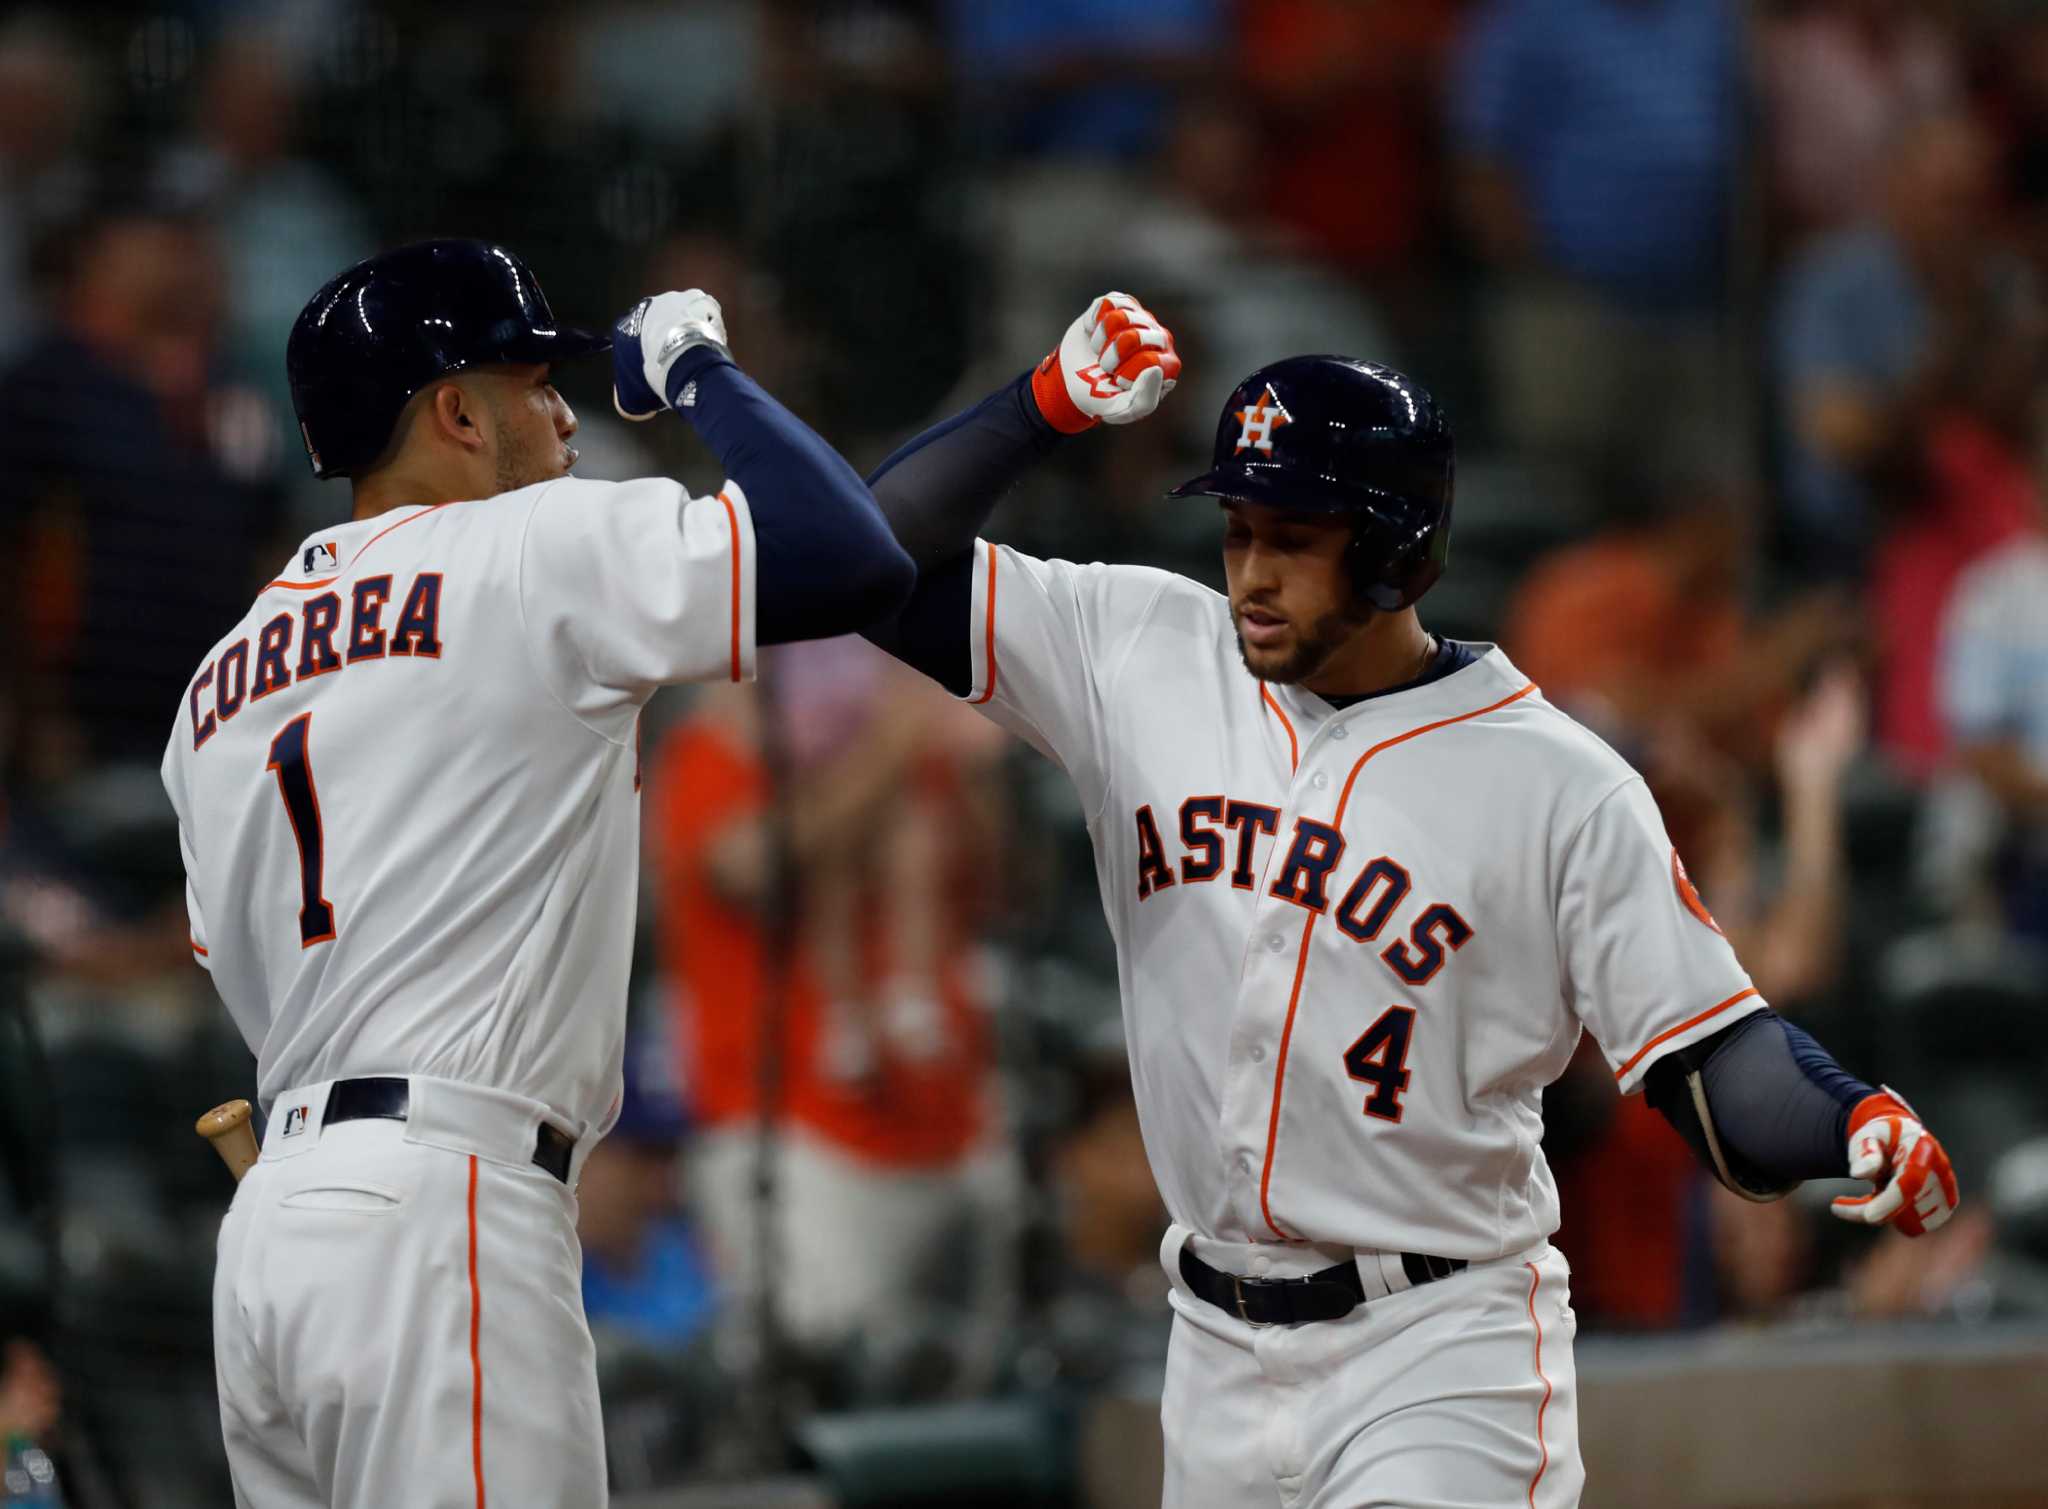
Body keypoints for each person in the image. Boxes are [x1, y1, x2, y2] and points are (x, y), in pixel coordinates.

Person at [857, 295, 1961, 1506]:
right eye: (1236, 528)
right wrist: (1043, 404)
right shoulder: (1138, 650)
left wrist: (1850, 1118)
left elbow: (1712, 1065)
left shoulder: (1555, 781)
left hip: (1437, 1350)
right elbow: (874, 557)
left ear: (1394, 552)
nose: (1251, 571)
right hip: (1210, 1352)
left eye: (1294, 535)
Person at [159, 239, 913, 1508]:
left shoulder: (215, 682)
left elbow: (230, 959)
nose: (567, 413)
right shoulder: (524, 545)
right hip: (442, 1206)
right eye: (533, 382)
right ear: (454, 412)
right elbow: (851, 555)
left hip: (274, 1233)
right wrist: (698, 375)